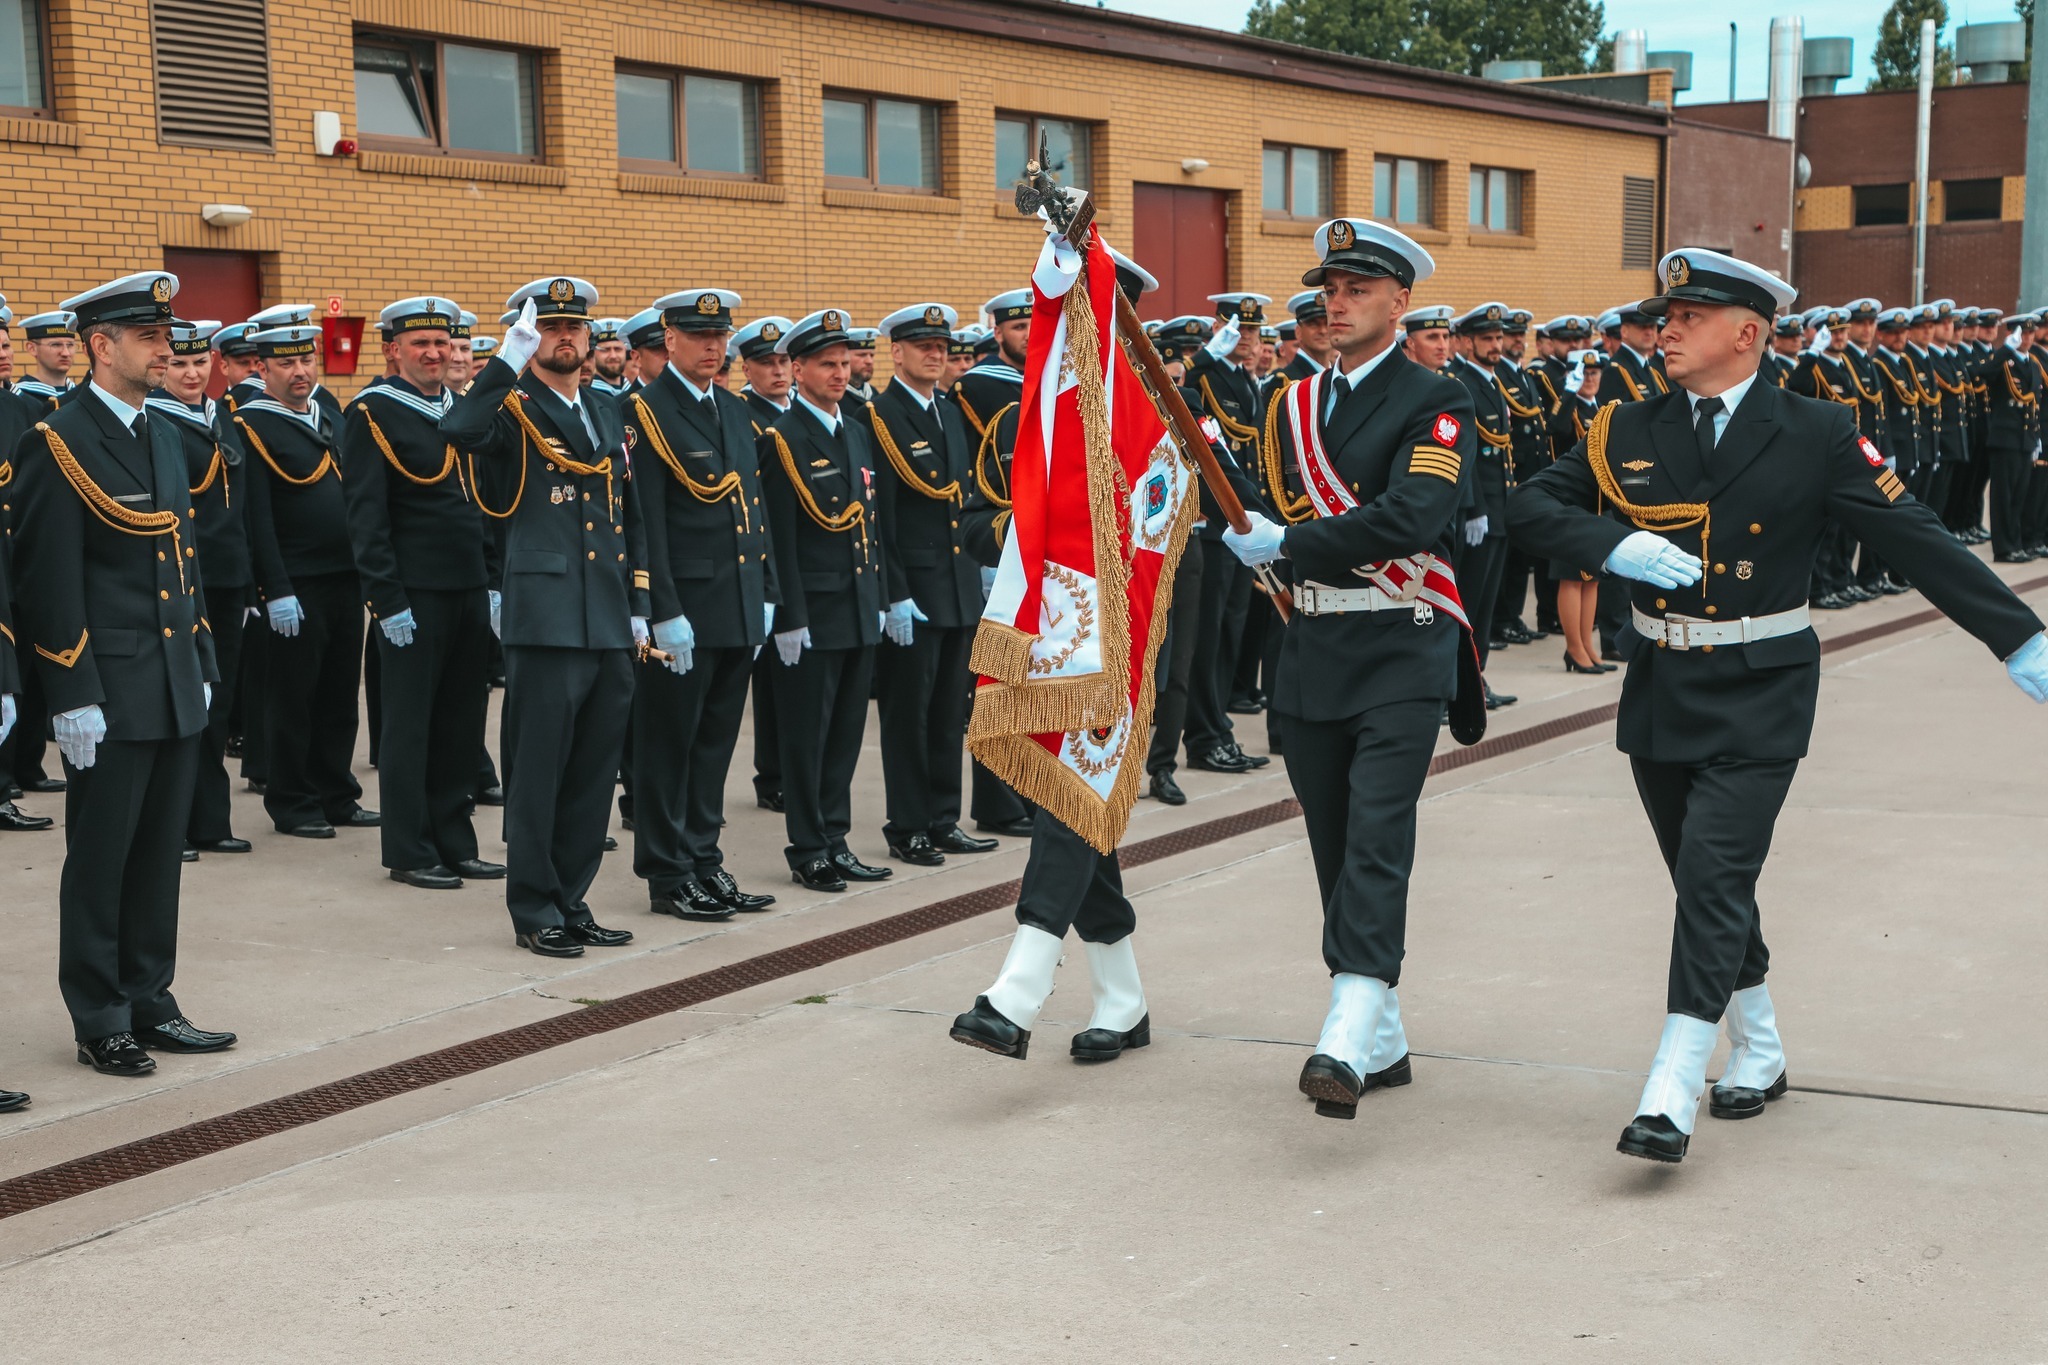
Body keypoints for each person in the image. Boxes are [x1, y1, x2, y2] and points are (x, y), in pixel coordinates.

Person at [1510, 248, 2048, 1164]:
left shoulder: (1816, 430)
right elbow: (1529, 504)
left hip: (1763, 687)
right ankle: (1759, 1043)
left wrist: (2018, 635)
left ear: (1747, 332)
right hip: (1665, 687)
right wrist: (1616, 545)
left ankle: (1673, 1085)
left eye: (1688, 317)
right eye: (1665, 315)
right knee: (1703, 878)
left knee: (1714, 874)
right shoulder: (1625, 427)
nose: (1665, 331)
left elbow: (1913, 535)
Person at [1217, 219, 1481, 1120]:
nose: (1337, 302)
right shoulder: (1287, 403)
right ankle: (1388, 1033)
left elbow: (1413, 514)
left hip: (1404, 641)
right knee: (1333, 840)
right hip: (1315, 645)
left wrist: (1290, 538)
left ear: (1400, 302)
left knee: (1377, 830)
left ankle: (1350, 1011)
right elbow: (1268, 505)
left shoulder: (1436, 398)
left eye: (1359, 287)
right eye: (1329, 287)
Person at [10, 270, 236, 1077]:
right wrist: (70, 692)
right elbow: (46, 577)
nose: (164, 350)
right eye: (148, 338)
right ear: (102, 346)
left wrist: (202, 661)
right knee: (102, 857)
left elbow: (184, 561)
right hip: (107, 687)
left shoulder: (164, 435)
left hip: (173, 677)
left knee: (157, 853)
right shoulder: (58, 440)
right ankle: (100, 1013)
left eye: (166, 336)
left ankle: (150, 996)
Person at [442, 279, 647, 957]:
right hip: (547, 614)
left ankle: (572, 896)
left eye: (575, 327)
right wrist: (503, 361)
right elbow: (458, 430)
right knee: (539, 770)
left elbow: (630, 514)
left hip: (609, 615)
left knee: (593, 770)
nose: (567, 337)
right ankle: (534, 907)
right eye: (551, 327)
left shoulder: (607, 407)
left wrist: (641, 604)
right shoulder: (512, 408)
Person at [624, 287, 780, 920]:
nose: (715, 347)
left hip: (735, 605)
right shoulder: (644, 412)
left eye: (721, 337)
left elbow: (753, 509)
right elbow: (646, 521)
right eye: (700, 336)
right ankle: (668, 874)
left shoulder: (735, 409)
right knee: (668, 746)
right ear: (670, 341)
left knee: (715, 744)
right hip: (683, 610)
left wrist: (767, 593)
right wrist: (661, 607)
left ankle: (704, 859)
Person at [340, 296, 502, 890]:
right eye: (420, 344)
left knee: (461, 724)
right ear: (393, 350)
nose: (435, 353)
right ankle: (409, 850)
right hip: (412, 594)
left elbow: (479, 507)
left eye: (443, 343)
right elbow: (365, 515)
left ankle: (455, 842)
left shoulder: (463, 409)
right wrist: (386, 600)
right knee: (410, 727)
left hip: (464, 587)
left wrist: (491, 583)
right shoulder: (373, 413)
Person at [758, 308, 891, 892]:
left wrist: (881, 598)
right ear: (798, 369)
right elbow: (778, 537)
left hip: (857, 607)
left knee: (844, 736)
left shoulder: (855, 429)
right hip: (811, 614)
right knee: (806, 740)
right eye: (826, 365)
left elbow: (870, 523)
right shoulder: (782, 439)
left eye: (844, 364)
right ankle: (808, 846)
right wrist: (788, 617)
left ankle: (836, 839)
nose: (840, 374)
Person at [860, 302, 998, 866]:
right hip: (913, 592)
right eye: (923, 346)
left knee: (948, 713)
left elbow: (963, 502)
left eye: (942, 347)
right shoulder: (880, 417)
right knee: (908, 716)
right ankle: (909, 825)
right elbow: (880, 517)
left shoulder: (950, 409)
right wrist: (893, 592)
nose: (936, 354)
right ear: (897, 353)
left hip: (958, 586)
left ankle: (945, 818)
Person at [235, 324, 377, 838]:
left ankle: (336, 793)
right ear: (263, 369)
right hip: (296, 584)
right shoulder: (251, 425)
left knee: (339, 695)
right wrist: (273, 587)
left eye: (306, 362)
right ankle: (293, 800)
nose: (300, 372)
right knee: (294, 698)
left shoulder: (327, 415)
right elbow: (257, 515)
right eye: (287, 364)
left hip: (344, 577)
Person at [146, 320, 256, 857]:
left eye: (199, 363)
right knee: (180, 702)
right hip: (183, 581)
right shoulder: (154, 422)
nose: (191, 374)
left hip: (227, 580)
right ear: (162, 367)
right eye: (179, 364)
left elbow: (242, 506)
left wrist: (257, 582)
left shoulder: (220, 417)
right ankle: (174, 825)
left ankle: (210, 820)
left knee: (219, 699)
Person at [954, 292, 1036, 837]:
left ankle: (1030, 790)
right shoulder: (981, 386)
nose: (1030, 333)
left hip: (1044, 555)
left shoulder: (1050, 380)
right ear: (999, 331)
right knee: (998, 681)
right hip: (1000, 541)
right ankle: (997, 801)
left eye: (1038, 322)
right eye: (1019, 325)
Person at [732, 314, 795, 813]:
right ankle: (771, 775)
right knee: (772, 683)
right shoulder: (742, 416)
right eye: (765, 363)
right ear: (746, 369)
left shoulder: (799, 412)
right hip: (760, 557)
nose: (777, 372)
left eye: (782, 362)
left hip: (798, 556)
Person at [1447, 303, 1518, 709]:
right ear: (1467, 341)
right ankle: (1458, 686)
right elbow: (1466, 453)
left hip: (1499, 509)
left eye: (1498, 338)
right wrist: (1473, 508)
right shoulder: (1461, 384)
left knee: (1486, 606)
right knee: (1469, 603)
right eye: (1487, 338)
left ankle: (1478, 677)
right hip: (1479, 512)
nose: (1496, 345)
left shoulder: (1492, 383)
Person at [1543, 348, 1611, 674]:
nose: (1591, 378)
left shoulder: (1601, 410)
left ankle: (1588, 646)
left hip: (1596, 504)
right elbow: (1554, 428)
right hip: (1570, 503)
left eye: (1596, 373)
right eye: (1584, 374)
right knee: (1571, 578)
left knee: (1592, 579)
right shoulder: (1569, 407)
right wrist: (1568, 391)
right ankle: (1574, 648)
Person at [13, 310, 79, 415]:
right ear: (32, 348)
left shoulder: (79, 393)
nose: (65, 353)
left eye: (70, 345)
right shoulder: (18, 396)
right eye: (56, 345)